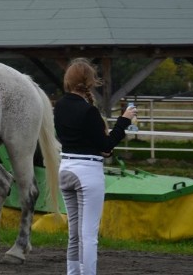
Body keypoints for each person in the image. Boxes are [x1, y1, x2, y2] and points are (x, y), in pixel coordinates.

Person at [54, 58, 136, 275]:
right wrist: (124, 121)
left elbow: (82, 139)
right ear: (89, 82)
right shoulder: (89, 111)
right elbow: (106, 146)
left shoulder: (59, 106)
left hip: (66, 169)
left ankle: (73, 273)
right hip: (87, 173)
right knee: (89, 235)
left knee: (74, 232)